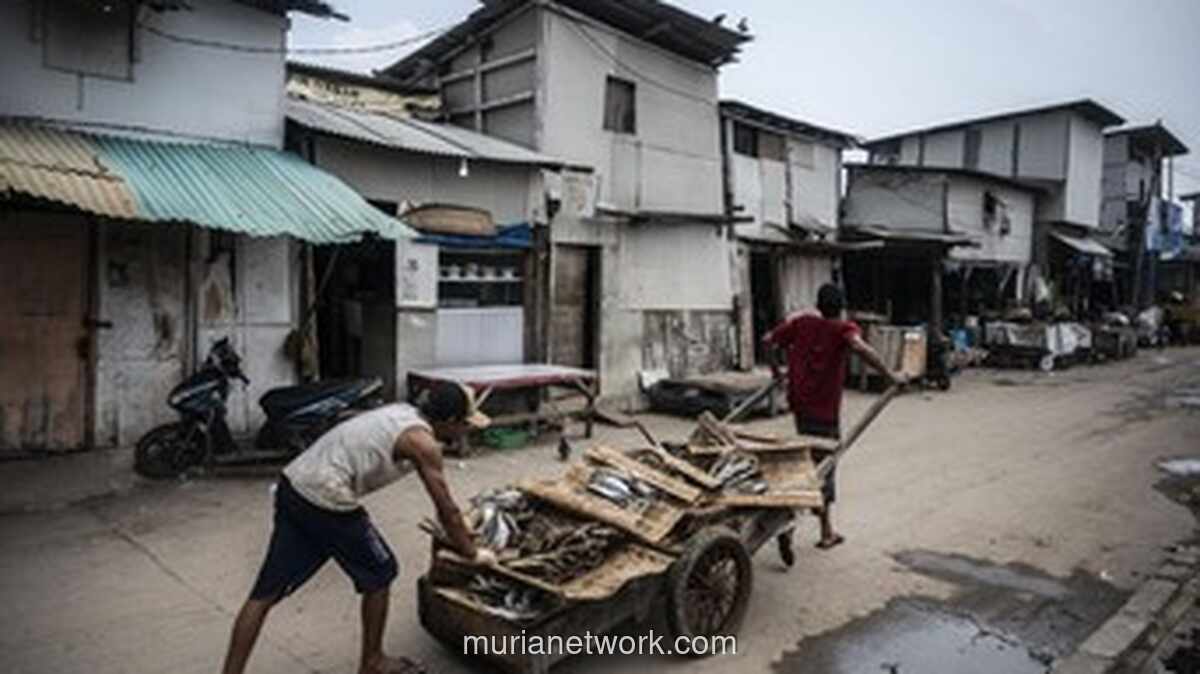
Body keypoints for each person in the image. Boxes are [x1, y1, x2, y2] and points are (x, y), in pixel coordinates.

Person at [221, 382, 496, 674]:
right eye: (464, 425)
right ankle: (372, 661)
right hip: (326, 496)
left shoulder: (401, 412)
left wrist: (457, 532)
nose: (465, 432)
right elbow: (446, 508)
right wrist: (472, 553)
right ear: (450, 420)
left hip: (294, 485)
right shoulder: (422, 443)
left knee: (264, 593)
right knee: (381, 569)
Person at [763, 283, 903, 564]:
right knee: (824, 471)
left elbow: (768, 340)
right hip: (825, 414)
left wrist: (777, 373)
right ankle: (794, 524)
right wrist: (890, 375)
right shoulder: (842, 329)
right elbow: (859, 347)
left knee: (810, 464)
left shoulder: (802, 323)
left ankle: (824, 530)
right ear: (841, 307)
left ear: (818, 305)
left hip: (801, 407)